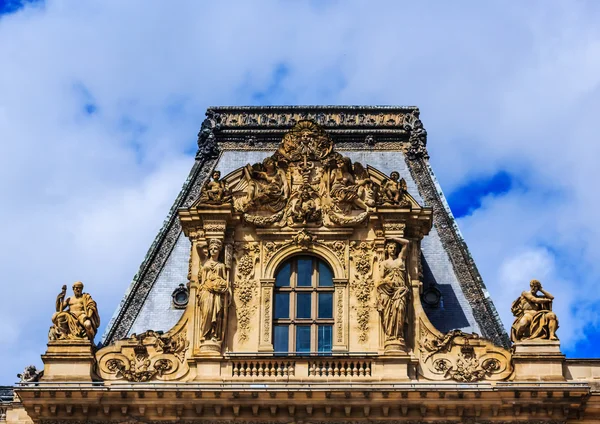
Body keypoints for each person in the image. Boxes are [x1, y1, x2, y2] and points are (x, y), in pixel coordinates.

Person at [376, 238, 410, 344]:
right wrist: (387, 282)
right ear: (387, 249)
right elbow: (380, 280)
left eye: (395, 248)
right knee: (389, 315)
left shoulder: (401, 259)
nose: (393, 249)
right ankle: (391, 335)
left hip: (400, 292)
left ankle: (398, 335)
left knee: (400, 310)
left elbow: (407, 243)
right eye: (391, 247)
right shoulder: (384, 263)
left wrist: (393, 238)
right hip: (388, 292)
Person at [197, 239, 231, 342]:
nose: (213, 251)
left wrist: (226, 288)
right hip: (206, 290)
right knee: (207, 312)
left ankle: (213, 334)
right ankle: (204, 334)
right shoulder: (205, 262)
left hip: (217, 292)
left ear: (219, 251)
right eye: (211, 249)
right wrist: (202, 238)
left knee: (216, 314)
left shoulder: (221, 265)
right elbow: (198, 247)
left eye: (215, 249)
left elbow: (226, 280)